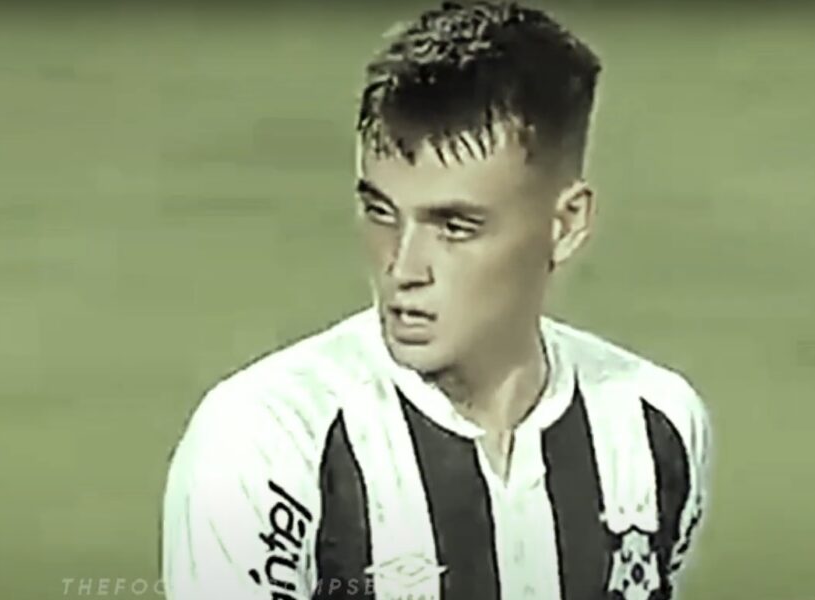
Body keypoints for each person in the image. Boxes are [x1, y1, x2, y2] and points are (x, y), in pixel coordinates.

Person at [161, 2, 711, 599]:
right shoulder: (268, 442)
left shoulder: (653, 427)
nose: (402, 267)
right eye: (381, 212)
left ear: (565, 224)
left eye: (454, 227)